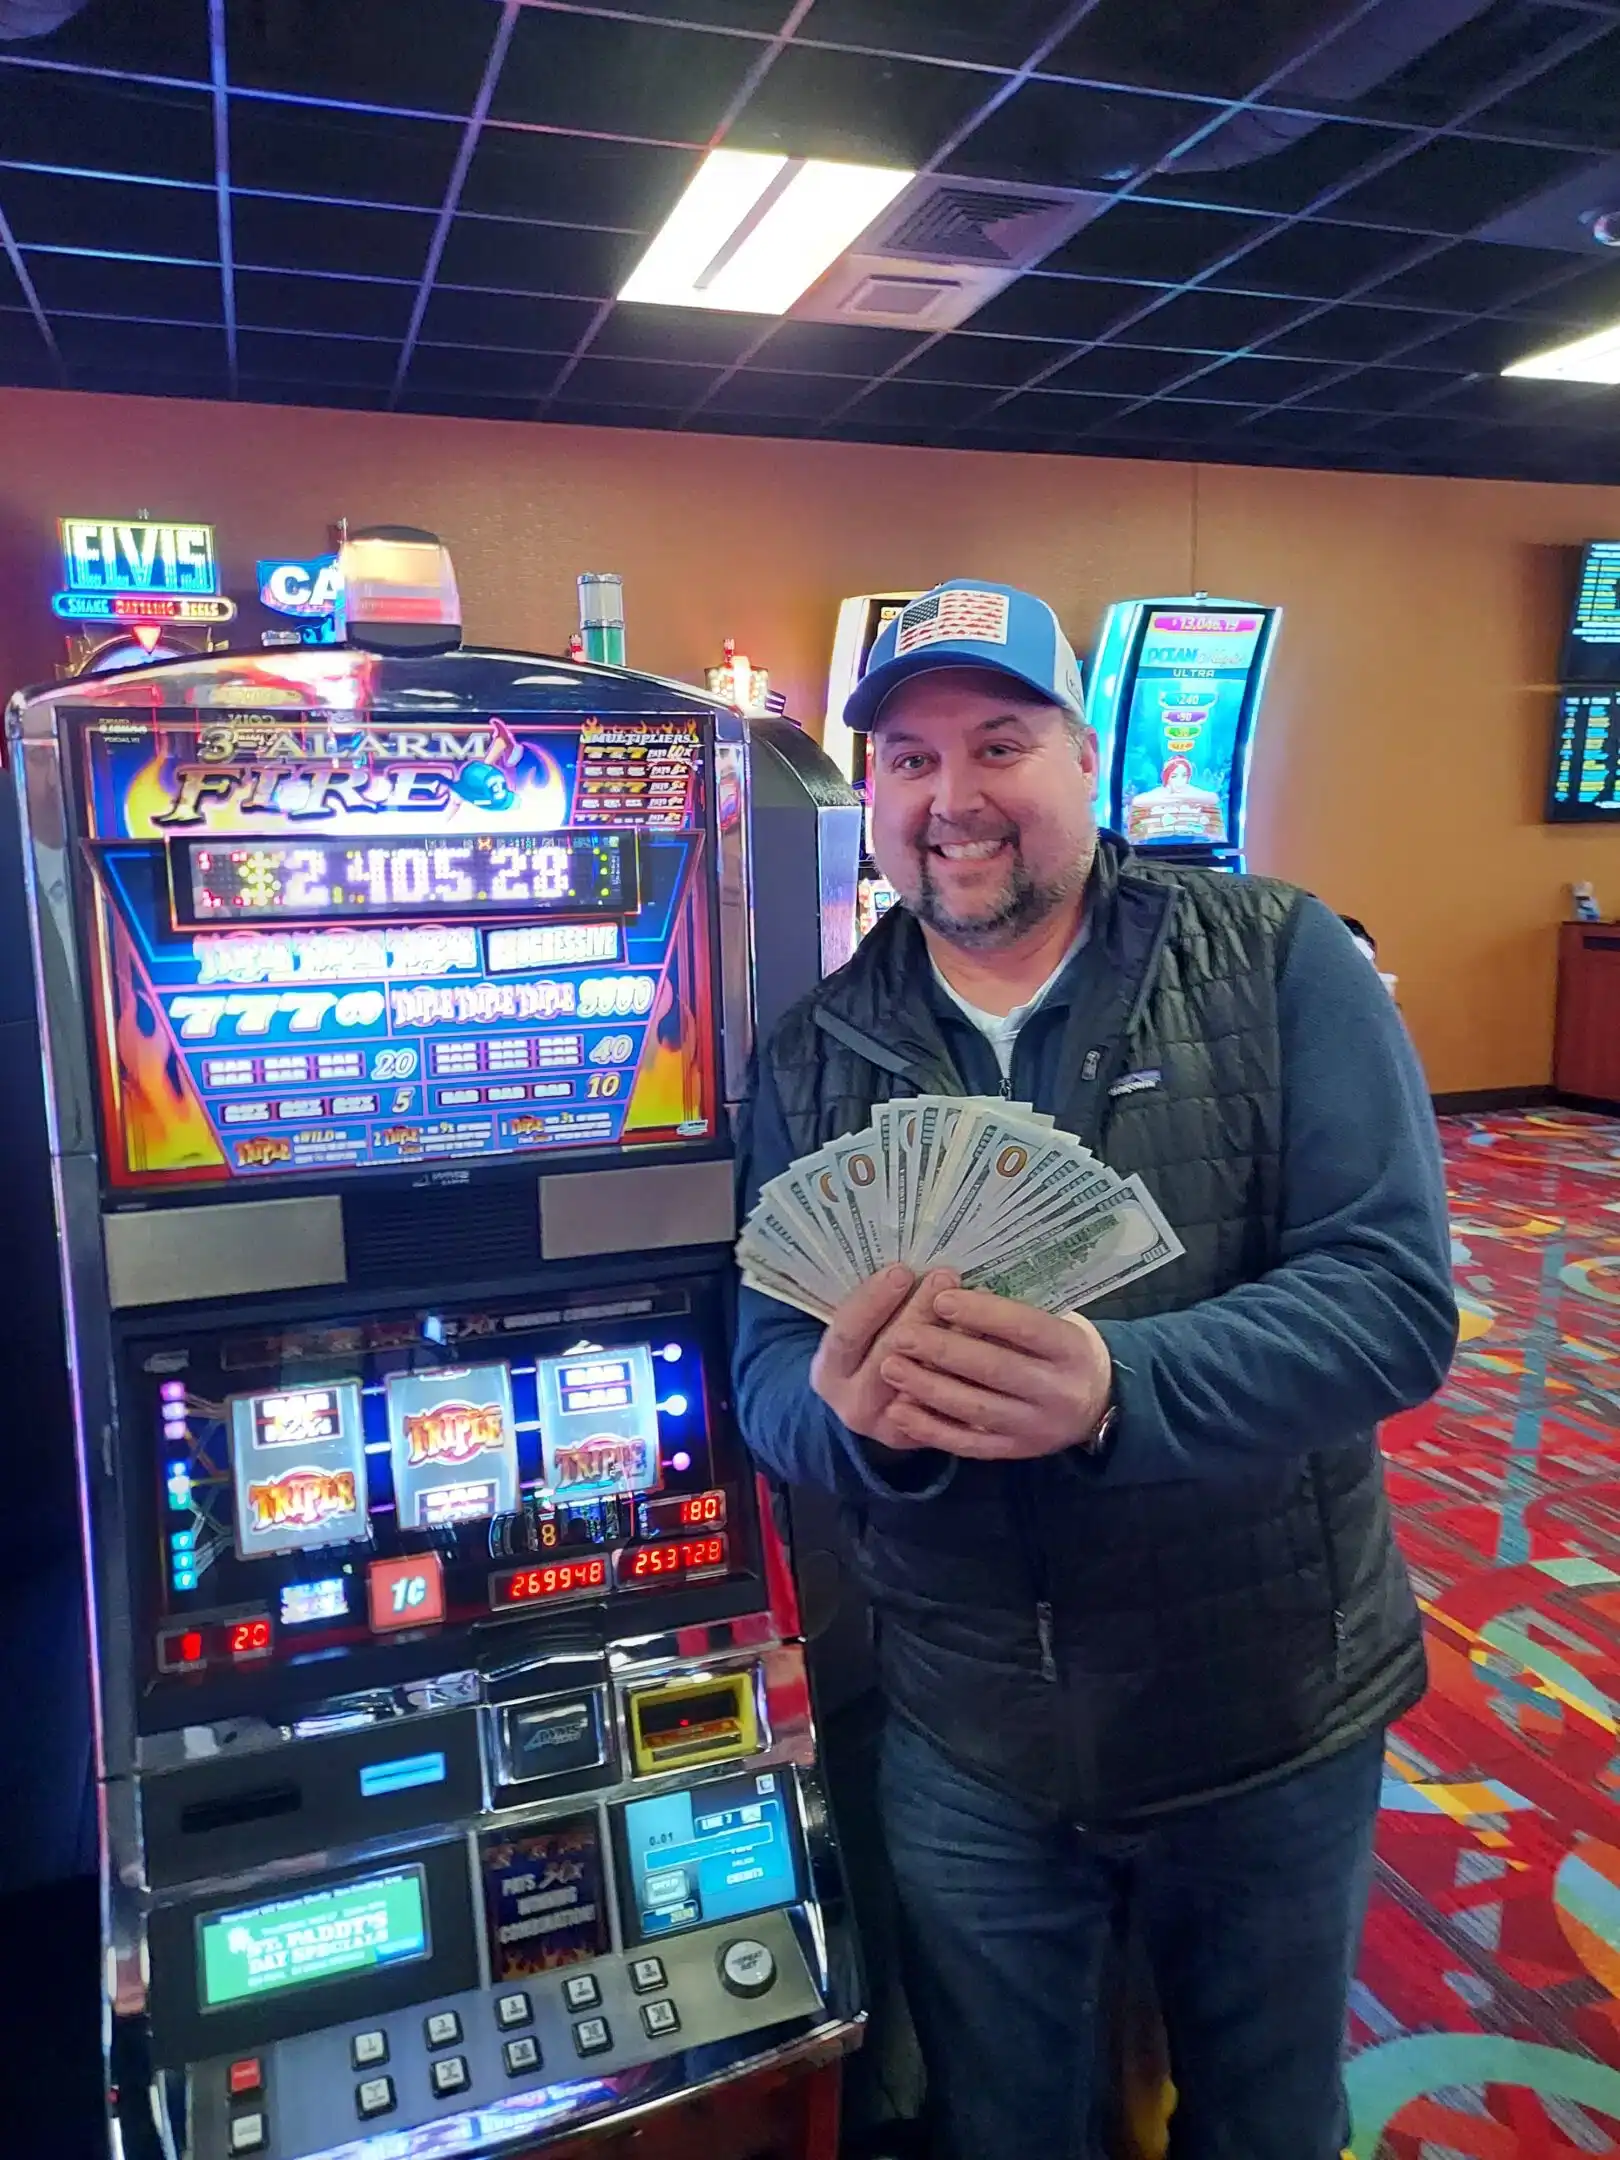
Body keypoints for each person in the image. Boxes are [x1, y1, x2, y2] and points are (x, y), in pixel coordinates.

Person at [732, 580, 1458, 2160]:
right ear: (873, 799)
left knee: (1263, 2123)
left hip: (1266, 1709)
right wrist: (850, 1421)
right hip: (968, 1730)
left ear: (1085, 757)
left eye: (1001, 742)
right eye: (909, 761)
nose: (955, 799)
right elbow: (765, 1376)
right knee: (1016, 2129)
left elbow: (1395, 1304)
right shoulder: (806, 1049)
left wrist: (1116, 1386)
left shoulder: (1278, 955)